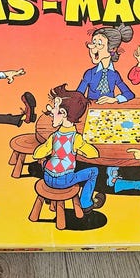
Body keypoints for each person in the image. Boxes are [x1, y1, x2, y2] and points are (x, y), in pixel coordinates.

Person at [33, 84, 106, 214]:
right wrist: (82, 147)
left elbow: (37, 154)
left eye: (54, 110)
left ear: (63, 113)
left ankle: (50, 198)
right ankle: (86, 203)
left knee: (47, 160)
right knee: (94, 171)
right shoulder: (76, 138)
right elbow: (93, 154)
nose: (51, 113)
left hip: (47, 177)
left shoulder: (53, 136)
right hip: (64, 180)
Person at [77, 24, 135, 104]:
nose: (92, 48)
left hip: (109, 108)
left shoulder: (114, 75)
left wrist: (115, 99)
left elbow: (129, 94)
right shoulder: (89, 73)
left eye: (99, 44)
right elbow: (78, 95)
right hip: (92, 108)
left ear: (113, 49)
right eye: (93, 43)